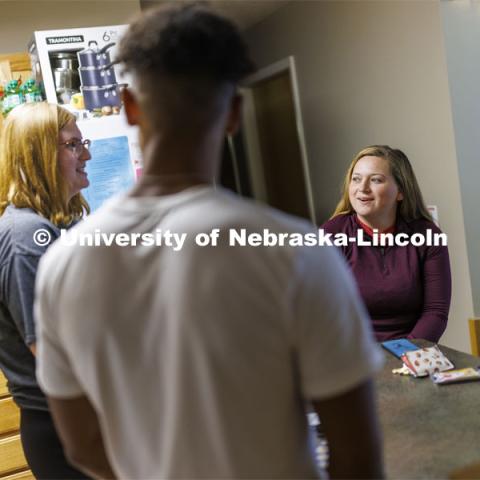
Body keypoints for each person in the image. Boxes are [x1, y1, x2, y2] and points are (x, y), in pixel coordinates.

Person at [34, 5, 384, 479]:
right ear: (235, 114)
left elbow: (81, 445)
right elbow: (357, 457)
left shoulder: (64, 264)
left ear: (130, 106)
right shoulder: (295, 252)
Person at [0, 102, 91, 479]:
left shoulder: (58, 226)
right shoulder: (25, 239)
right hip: (62, 428)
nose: (86, 154)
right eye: (72, 145)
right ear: (39, 156)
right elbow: (52, 351)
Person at [323, 145, 451, 342]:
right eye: (356, 179)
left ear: (401, 191)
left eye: (375, 180)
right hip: (354, 357)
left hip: (414, 352)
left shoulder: (428, 234)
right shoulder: (330, 235)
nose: (362, 188)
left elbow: (435, 312)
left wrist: (406, 355)